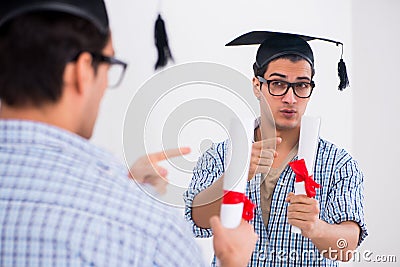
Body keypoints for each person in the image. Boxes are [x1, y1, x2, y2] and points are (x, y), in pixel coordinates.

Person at [0, 1, 257, 266]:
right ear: (82, 70)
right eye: (109, 64)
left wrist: (126, 188)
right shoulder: (151, 232)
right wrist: (233, 261)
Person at [184, 31, 368, 266]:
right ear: (256, 85)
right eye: (278, 84)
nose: (290, 98)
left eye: (301, 85)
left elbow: (347, 248)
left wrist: (316, 228)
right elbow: (198, 220)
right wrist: (234, 175)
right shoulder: (220, 155)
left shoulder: (339, 163)